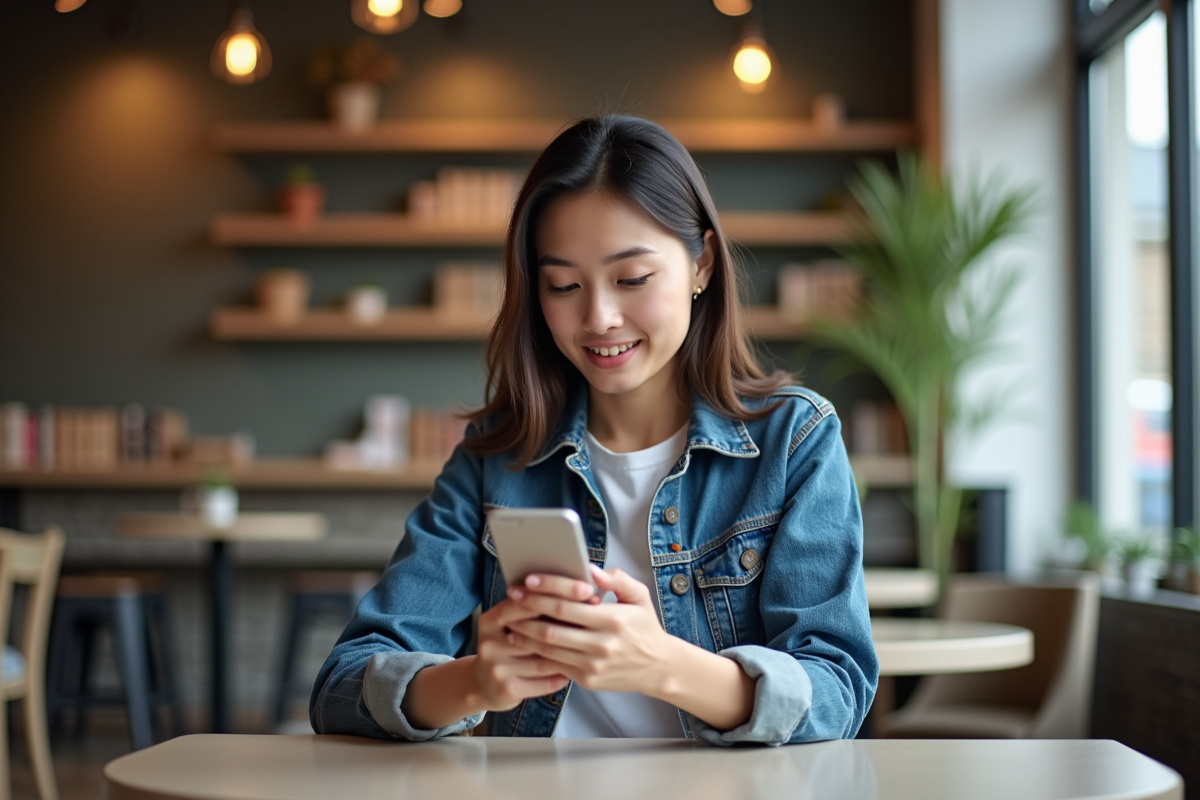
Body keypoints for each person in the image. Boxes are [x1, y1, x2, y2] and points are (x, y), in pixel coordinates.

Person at [310, 115, 878, 745]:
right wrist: (477, 683)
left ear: (702, 265)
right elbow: (343, 684)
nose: (599, 317)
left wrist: (666, 666)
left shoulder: (795, 440)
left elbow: (838, 689)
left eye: (632, 279)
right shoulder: (499, 454)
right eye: (563, 285)